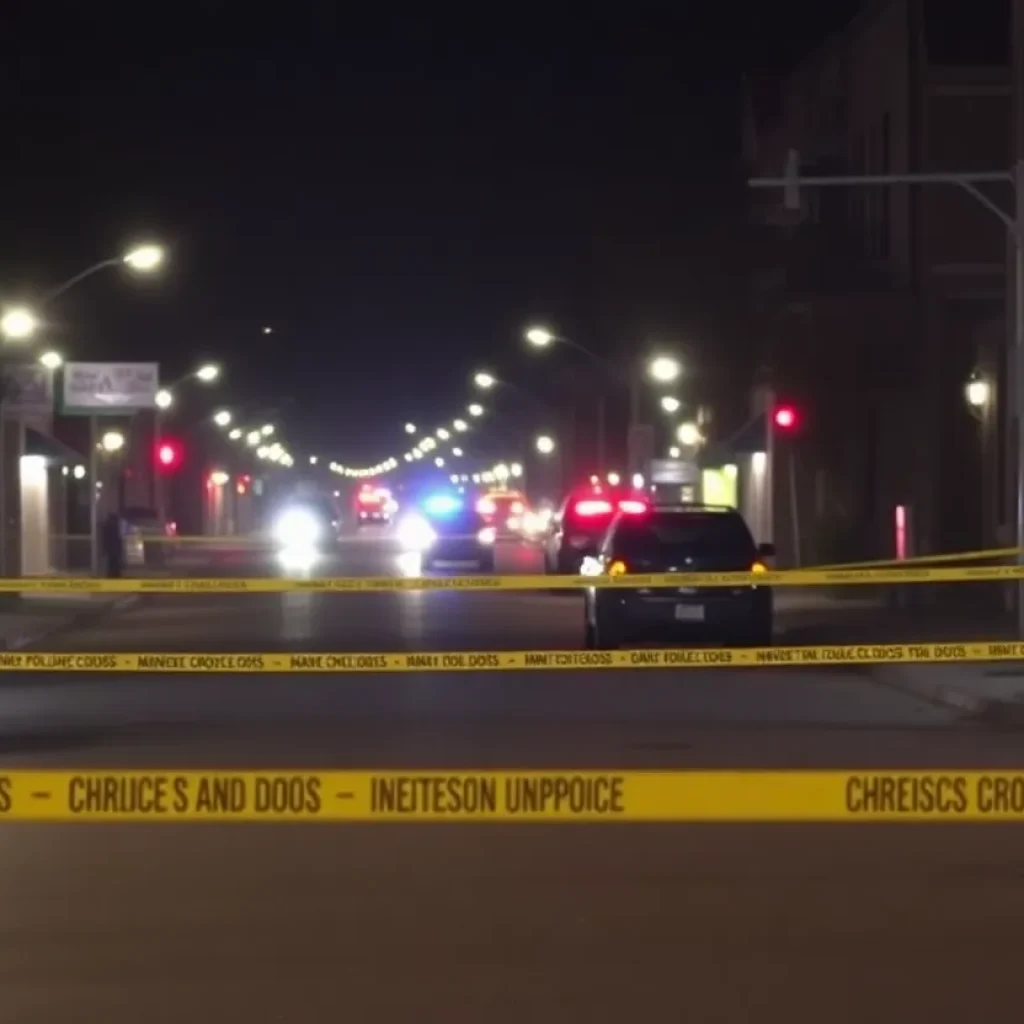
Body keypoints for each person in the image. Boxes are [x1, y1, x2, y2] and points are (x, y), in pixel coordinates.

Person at [101, 511, 125, 578]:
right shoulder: (116, 526)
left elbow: (105, 539)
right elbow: (119, 539)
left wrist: (104, 549)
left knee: (111, 562)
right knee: (115, 562)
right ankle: (115, 575)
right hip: (115, 548)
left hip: (110, 548)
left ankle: (111, 575)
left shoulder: (106, 525)